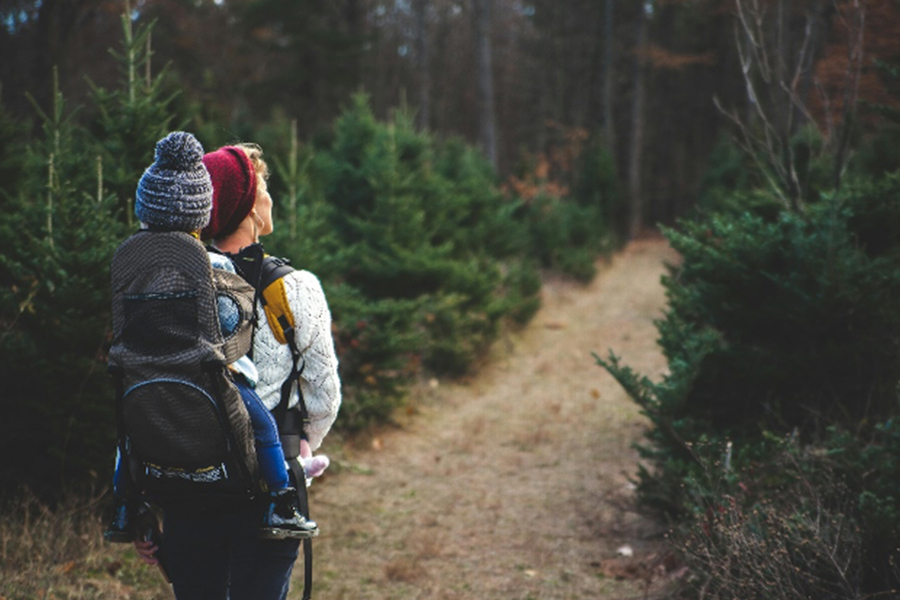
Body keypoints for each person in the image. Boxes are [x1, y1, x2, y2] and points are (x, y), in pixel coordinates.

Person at [134, 141, 342, 600]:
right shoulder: (294, 288)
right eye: (263, 187)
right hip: (267, 494)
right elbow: (324, 397)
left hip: (188, 489)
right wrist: (300, 452)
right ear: (248, 206)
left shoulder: (171, 284)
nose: (270, 196)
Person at [104, 131, 317, 544]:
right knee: (261, 424)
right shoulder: (209, 263)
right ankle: (280, 500)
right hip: (204, 369)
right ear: (200, 213)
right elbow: (230, 319)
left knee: (127, 434)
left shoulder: (131, 260)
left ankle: (125, 507)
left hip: (140, 368)